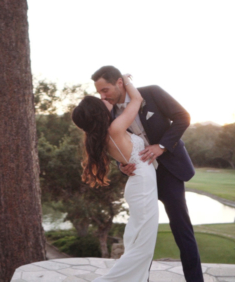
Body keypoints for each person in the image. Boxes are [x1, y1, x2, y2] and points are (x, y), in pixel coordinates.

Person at [91, 66, 203, 282]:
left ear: (119, 83)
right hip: (142, 178)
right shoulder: (110, 112)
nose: (103, 96)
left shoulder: (151, 93)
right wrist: (121, 165)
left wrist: (161, 146)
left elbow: (183, 117)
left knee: (182, 230)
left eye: (105, 90)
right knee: (144, 233)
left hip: (170, 172)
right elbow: (114, 144)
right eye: (100, 93)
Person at [72, 74, 158, 281]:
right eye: (101, 101)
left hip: (139, 184)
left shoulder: (105, 133)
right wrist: (126, 79)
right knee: (143, 246)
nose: (105, 100)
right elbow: (137, 100)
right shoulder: (116, 128)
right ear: (98, 112)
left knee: (136, 237)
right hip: (142, 186)